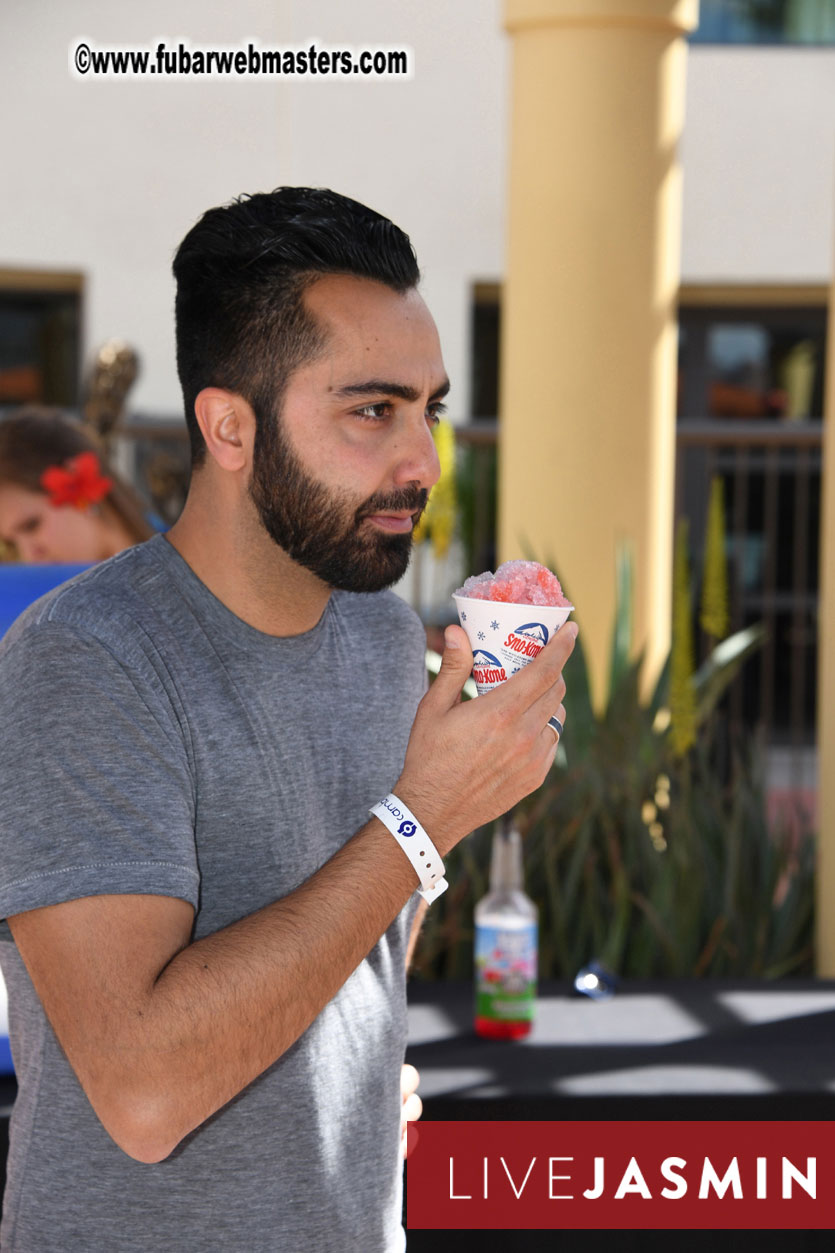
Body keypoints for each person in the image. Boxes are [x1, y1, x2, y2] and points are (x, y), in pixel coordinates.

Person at [0, 188, 575, 1251]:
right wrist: (423, 816)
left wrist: (358, 1059)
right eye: (371, 410)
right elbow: (140, 1089)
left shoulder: (375, 634)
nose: (422, 460)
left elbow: (362, 923)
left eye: (428, 409)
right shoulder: (86, 659)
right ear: (228, 424)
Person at [0, 406, 154, 564]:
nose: (29, 557)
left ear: (82, 482)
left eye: (32, 525)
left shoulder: (177, 552)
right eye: (12, 545)